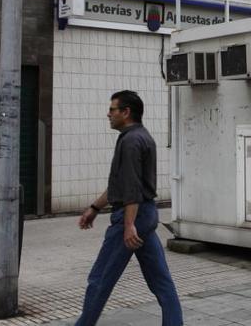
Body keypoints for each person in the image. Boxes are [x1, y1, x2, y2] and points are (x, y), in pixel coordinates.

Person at [75, 91, 183, 326]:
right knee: (162, 282)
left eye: (112, 109)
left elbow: (132, 189)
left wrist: (128, 225)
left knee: (99, 279)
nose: (108, 114)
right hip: (145, 216)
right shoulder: (140, 137)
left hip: (133, 216)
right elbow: (121, 185)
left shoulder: (131, 141)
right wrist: (94, 207)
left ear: (126, 112)